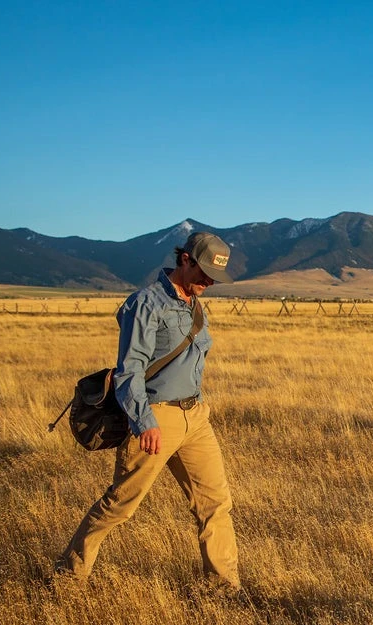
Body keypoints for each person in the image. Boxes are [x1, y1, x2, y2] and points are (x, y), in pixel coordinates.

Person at [55, 231, 241, 595]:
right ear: (185, 260)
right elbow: (130, 371)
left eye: (215, 278)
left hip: (195, 417)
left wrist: (199, 408)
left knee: (216, 504)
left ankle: (223, 587)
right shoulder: (146, 304)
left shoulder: (194, 303)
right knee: (121, 505)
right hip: (157, 417)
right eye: (204, 273)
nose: (209, 282)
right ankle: (67, 577)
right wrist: (144, 422)